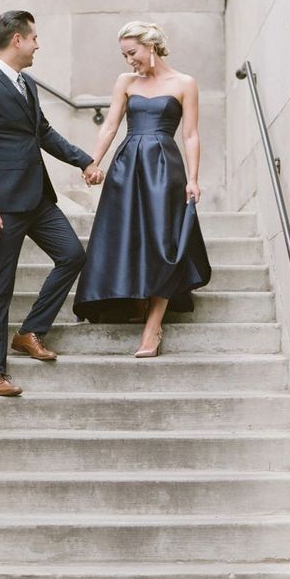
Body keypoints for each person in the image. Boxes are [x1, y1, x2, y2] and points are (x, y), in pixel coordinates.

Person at [0, 10, 103, 397]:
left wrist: (84, 160)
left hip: (37, 198)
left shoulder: (27, 83)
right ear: (17, 40)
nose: (39, 44)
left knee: (73, 255)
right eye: (34, 37)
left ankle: (30, 332)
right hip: (1, 207)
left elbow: (43, 132)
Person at [73, 20, 211, 357]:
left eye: (132, 52)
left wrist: (193, 178)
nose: (129, 60)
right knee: (128, 235)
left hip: (165, 166)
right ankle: (133, 298)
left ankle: (153, 326)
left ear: (151, 46)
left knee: (164, 241)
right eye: (124, 55)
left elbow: (191, 134)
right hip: (127, 164)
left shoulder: (184, 83)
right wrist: (93, 162)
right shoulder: (126, 82)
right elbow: (110, 125)